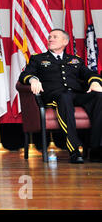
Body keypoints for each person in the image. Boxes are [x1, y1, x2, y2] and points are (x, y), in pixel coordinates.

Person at [19, 29, 102, 163]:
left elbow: (89, 74)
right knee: (64, 98)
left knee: (99, 96)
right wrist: (33, 79)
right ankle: (74, 151)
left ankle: (96, 148)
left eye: (55, 37)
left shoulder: (75, 60)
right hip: (54, 96)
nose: (50, 39)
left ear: (65, 41)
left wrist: (94, 82)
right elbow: (25, 75)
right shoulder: (38, 59)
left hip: (76, 94)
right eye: (49, 37)